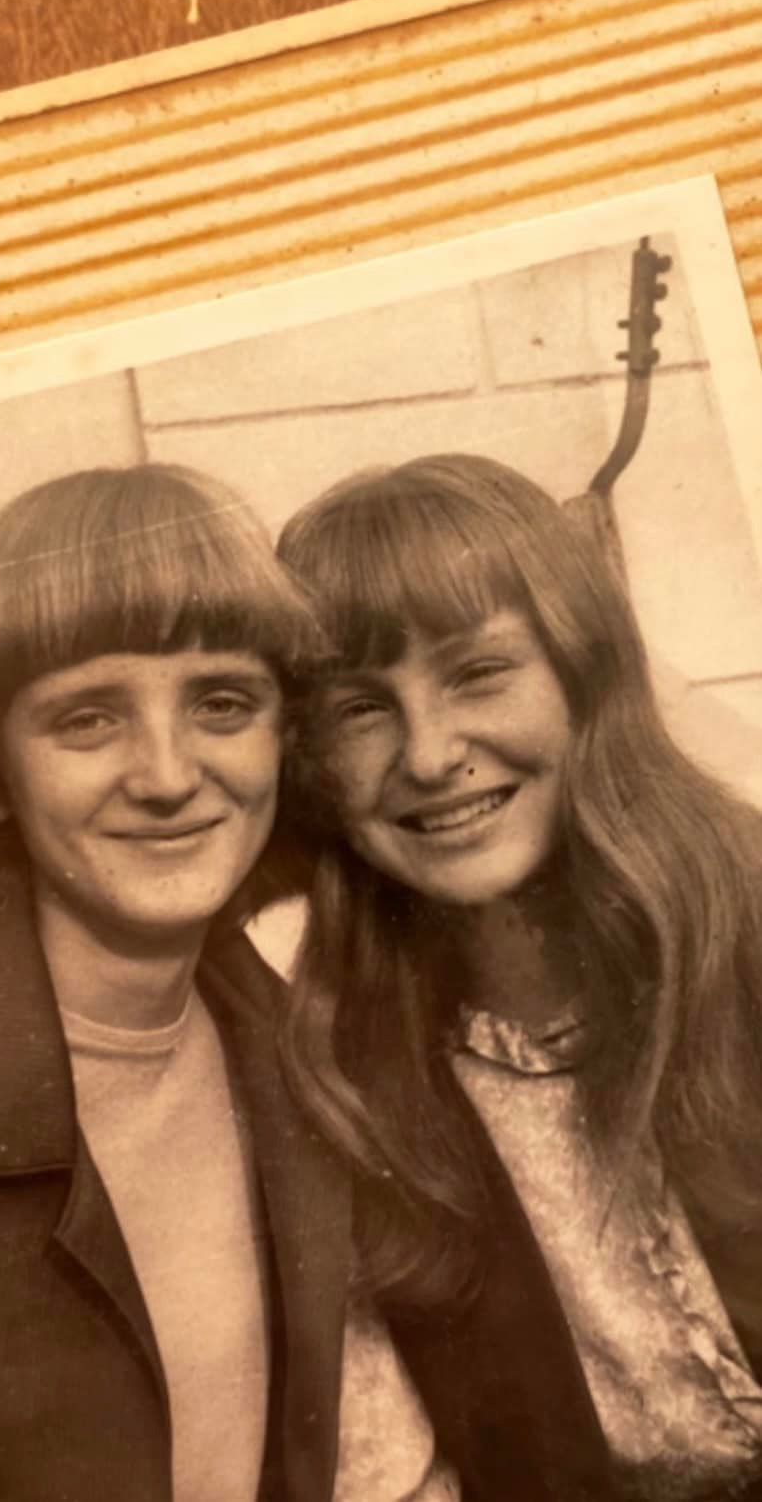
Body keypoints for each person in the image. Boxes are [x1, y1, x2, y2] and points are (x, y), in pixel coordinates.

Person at [0, 462, 478, 1502]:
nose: (170, 776)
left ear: (285, 744)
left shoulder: (295, 1054)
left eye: (222, 703)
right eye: (89, 718)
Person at [277, 453, 762, 1502]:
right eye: (360, 709)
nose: (430, 753)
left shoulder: (747, 932)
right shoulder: (343, 1074)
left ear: (584, 675)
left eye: (478, 672)